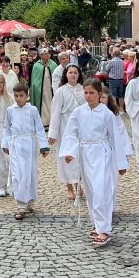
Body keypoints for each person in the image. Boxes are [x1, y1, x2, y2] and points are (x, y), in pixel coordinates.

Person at [59, 79, 131, 248]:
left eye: (92, 93)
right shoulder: (78, 112)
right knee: (91, 191)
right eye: (86, 93)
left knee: (101, 190)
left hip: (102, 153)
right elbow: (71, 132)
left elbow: (115, 138)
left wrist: (121, 163)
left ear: (100, 94)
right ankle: (97, 224)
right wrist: (70, 151)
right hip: (86, 153)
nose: (88, 96)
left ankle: (104, 229)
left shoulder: (106, 114)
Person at [2, 82, 49, 220]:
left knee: (29, 174)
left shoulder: (33, 110)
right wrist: (5, 143)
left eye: (21, 96)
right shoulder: (10, 110)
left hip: (29, 144)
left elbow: (39, 128)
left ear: (27, 96)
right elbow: (6, 128)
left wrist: (44, 145)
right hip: (16, 144)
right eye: (16, 96)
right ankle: (20, 205)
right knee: (17, 175)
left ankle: (29, 201)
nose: (18, 98)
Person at [47, 64, 85, 201]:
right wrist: (52, 133)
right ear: (66, 75)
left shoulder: (84, 90)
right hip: (65, 126)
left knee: (80, 156)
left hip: (80, 126)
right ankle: (70, 186)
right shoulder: (61, 91)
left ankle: (79, 184)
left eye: (75, 72)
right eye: (70, 72)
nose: (73, 75)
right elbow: (55, 112)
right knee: (67, 156)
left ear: (79, 74)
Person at [28, 48, 57, 128]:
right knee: (42, 104)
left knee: (52, 103)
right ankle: (43, 122)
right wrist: (36, 88)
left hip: (51, 89)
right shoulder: (37, 66)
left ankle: (52, 121)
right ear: (40, 56)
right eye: (44, 54)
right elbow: (34, 81)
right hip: (41, 89)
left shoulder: (53, 64)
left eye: (47, 54)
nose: (46, 55)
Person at [105, 47, 125, 113]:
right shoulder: (122, 61)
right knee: (120, 96)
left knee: (113, 95)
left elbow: (107, 70)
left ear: (113, 54)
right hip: (120, 80)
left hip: (113, 79)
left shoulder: (111, 62)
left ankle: (115, 108)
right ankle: (121, 109)